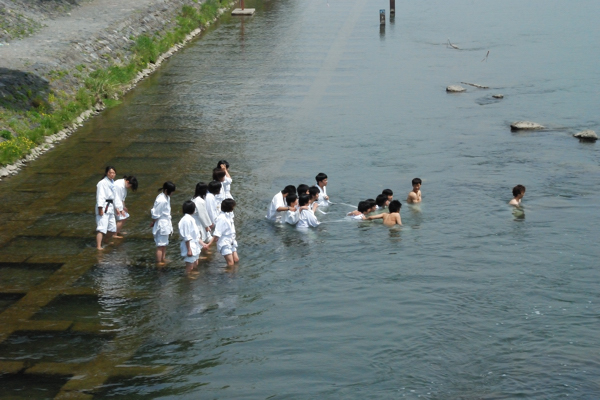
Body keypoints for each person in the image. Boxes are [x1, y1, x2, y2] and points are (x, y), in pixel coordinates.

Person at [179, 200, 209, 275]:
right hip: (189, 246)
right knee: (190, 267)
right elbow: (187, 237)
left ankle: (193, 280)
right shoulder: (185, 220)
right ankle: (188, 281)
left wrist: (203, 244)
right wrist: (189, 250)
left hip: (195, 246)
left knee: (195, 264)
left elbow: (195, 236)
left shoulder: (191, 219)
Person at [206, 199, 239, 266]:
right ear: (229, 207)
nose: (233, 208)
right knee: (230, 263)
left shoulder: (228, 215)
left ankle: (232, 274)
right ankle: (228, 275)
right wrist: (209, 244)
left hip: (231, 241)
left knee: (236, 260)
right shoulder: (221, 218)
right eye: (233, 206)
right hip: (224, 242)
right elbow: (217, 233)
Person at [151, 181, 176, 265]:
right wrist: (153, 222)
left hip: (165, 223)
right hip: (162, 224)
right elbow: (156, 214)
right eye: (171, 191)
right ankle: (159, 262)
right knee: (160, 245)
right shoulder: (161, 200)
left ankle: (163, 259)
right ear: (166, 190)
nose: (172, 193)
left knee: (164, 244)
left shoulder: (166, 197)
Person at [95, 166, 118, 250]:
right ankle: (98, 246)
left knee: (113, 228)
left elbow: (114, 196)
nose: (112, 174)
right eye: (110, 172)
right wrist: (100, 208)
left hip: (110, 207)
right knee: (101, 228)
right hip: (104, 206)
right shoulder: (102, 183)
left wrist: (117, 207)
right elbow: (100, 196)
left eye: (113, 173)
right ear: (106, 173)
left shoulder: (112, 182)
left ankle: (106, 240)